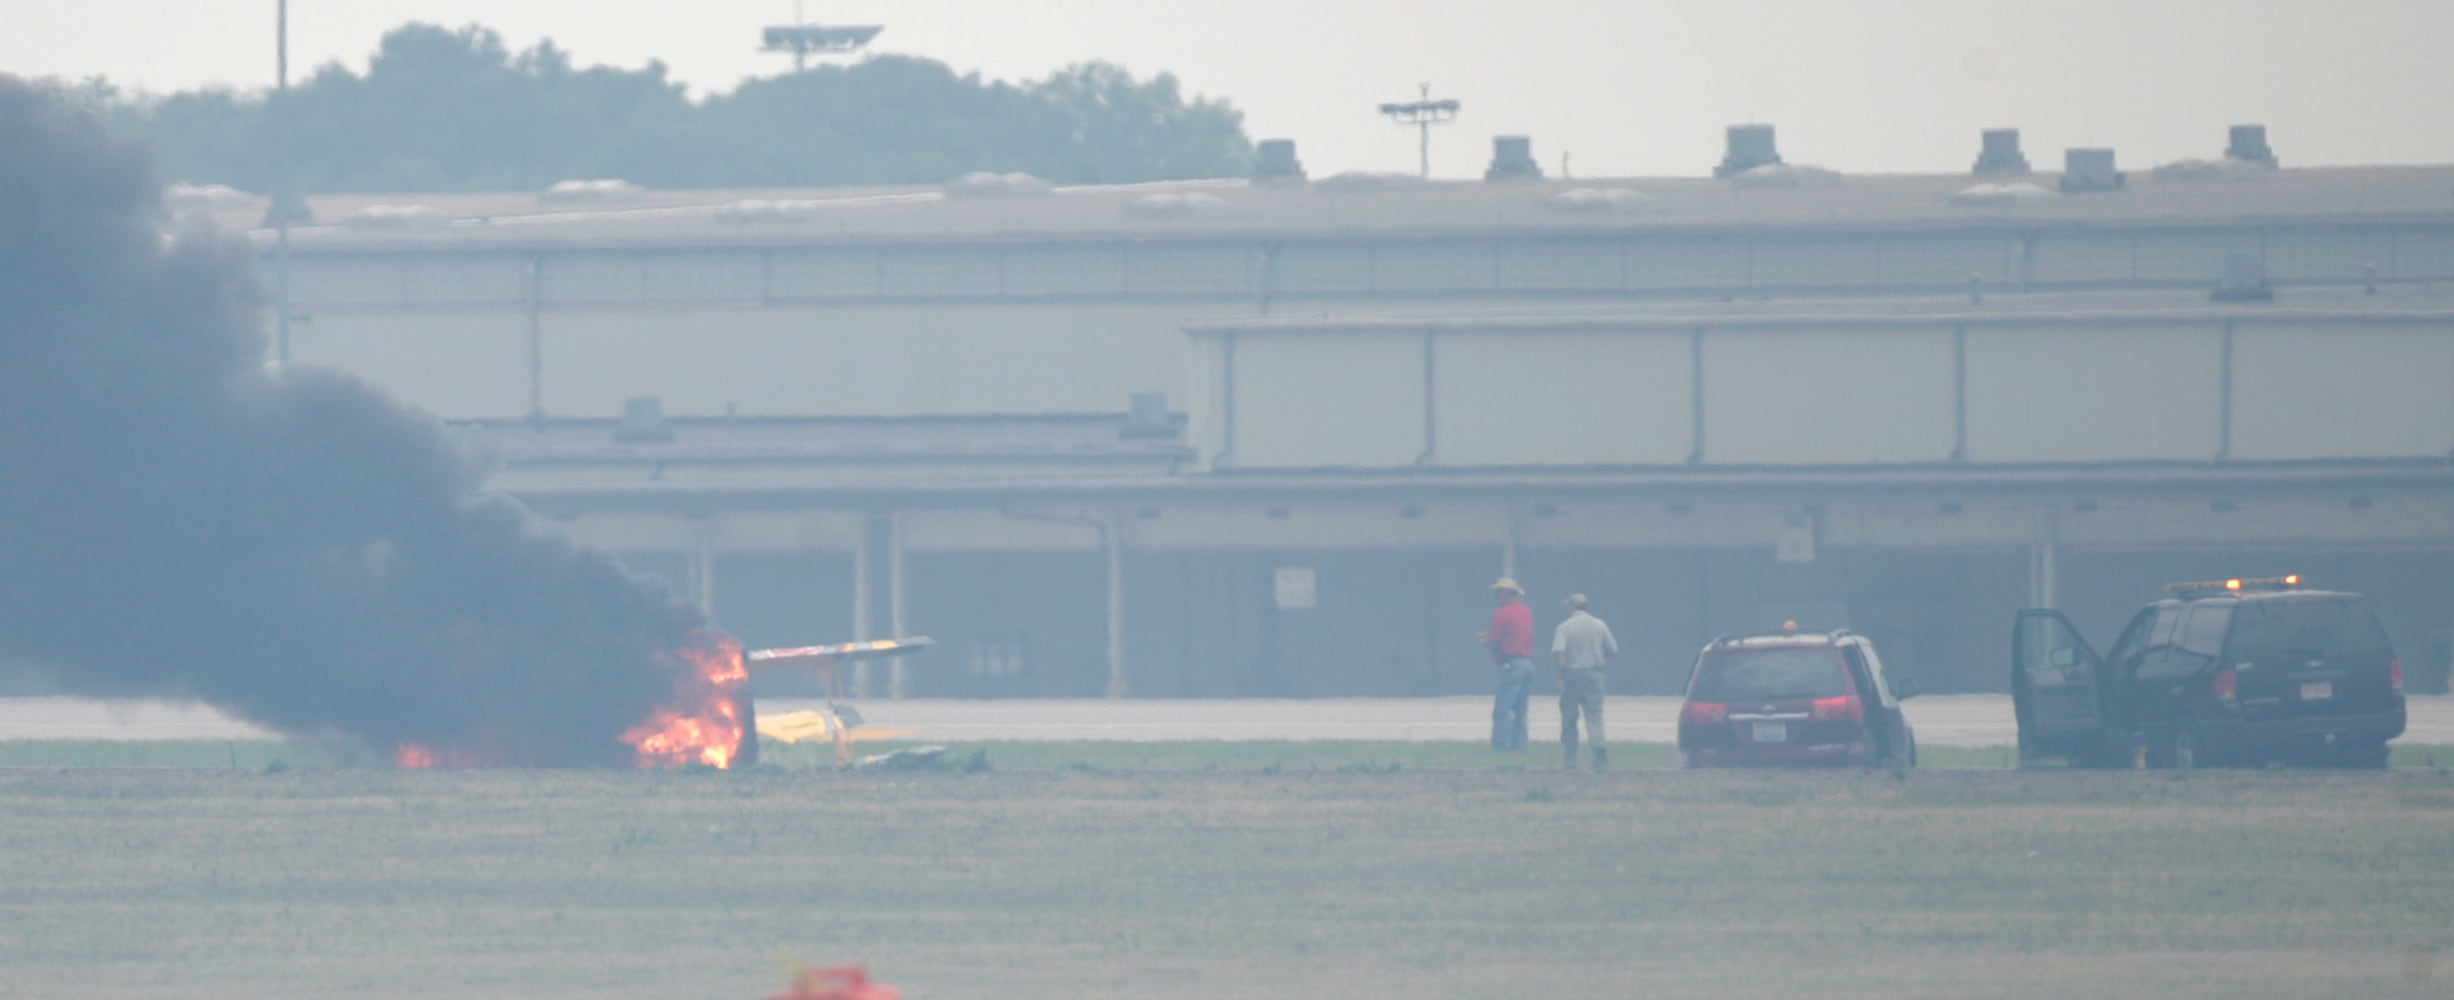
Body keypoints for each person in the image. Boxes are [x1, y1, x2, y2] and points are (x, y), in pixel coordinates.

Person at [1552, 593, 1618, 770]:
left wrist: (1560, 678)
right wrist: (1596, 654)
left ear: (1572, 607)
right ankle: (1598, 748)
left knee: (1569, 716)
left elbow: (1560, 654)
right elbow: (1613, 650)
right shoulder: (1599, 625)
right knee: (1594, 716)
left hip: (1572, 674)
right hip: (1595, 674)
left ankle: (1570, 756)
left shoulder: (1564, 628)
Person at [1480, 577, 1535, 750]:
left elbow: (1495, 640)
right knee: (1521, 710)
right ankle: (1520, 746)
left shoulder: (1501, 613)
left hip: (1511, 665)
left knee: (1503, 710)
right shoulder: (1526, 611)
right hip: (1527, 663)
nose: (1496, 596)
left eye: (1498, 592)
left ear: (1506, 594)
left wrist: (1485, 641)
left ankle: (1500, 746)